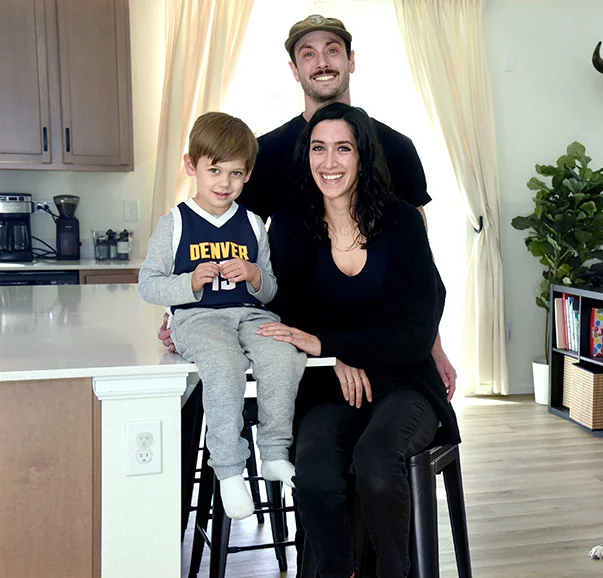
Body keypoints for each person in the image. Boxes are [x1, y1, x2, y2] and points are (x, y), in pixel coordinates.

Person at [257, 102, 460, 578]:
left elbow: (415, 333)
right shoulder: (287, 225)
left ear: (363, 156)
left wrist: (333, 346)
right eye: (318, 149)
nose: (329, 163)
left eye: (343, 149)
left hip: (405, 383)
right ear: (306, 157)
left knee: (375, 460)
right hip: (328, 386)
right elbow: (286, 321)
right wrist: (331, 356)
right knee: (314, 476)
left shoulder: (403, 221)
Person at [237, 13, 458, 399]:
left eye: (333, 51)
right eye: (308, 54)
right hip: (306, 343)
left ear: (351, 61)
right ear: (294, 69)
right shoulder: (266, 154)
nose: (322, 62)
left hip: (384, 344)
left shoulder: (398, 149)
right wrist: (190, 313)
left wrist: (432, 345)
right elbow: (237, 245)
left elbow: (419, 264)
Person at [139, 112, 306, 520]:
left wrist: (253, 275)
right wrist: (189, 283)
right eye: (214, 170)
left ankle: (273, 452)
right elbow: (149, 284)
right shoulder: (174, 223)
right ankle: (229, 471)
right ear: (191, 165)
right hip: (197, 318)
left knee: (285, 354)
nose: (224, 183)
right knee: (224, 364)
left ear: (247, 176)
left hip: (248, 315)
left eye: (235, 173)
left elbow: (270, 289)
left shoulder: (252, 224)